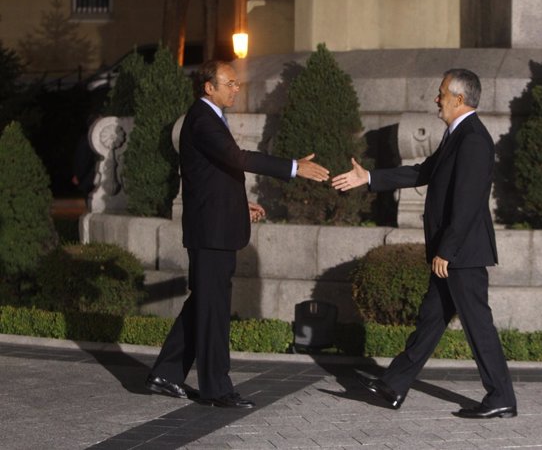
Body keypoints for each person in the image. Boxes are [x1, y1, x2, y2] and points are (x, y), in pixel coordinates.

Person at [332, 68, 517, 419]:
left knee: (478, 324)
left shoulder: (474, 139)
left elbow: (468, 201)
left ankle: (501, 396)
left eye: (442, 93)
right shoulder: (456, 136)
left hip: (461, 253)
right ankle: (394, 384)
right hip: (454, 250)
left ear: (459, 99)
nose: (437, 99)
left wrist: (447, 249)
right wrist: (368, 177)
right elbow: (422, 172)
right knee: (431, 318)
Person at [145, 60, 330, 408]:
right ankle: (216, 389)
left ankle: (166, 374)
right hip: (210, 234)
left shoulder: (210, 117)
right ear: (208, 87)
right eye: (228, 83)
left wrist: (238, 204)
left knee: (204, 303)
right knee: (213, 309)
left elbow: (212, 174)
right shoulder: (201, 118)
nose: (236, 89)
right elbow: (236, 158)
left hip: (216, 225)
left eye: (236, 83)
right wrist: (293, 167)